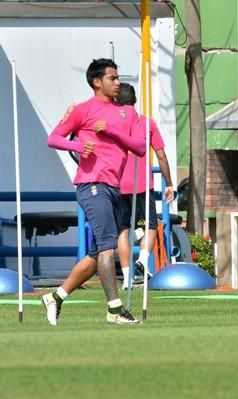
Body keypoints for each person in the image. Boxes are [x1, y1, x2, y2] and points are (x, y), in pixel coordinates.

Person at [42, 58, 146, 325]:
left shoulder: (127, 113)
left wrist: (111, 130)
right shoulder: (81, 110)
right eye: (112, 78)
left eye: (118, 77)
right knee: (107, 249)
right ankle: (114, 310)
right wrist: (78, 148)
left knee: (96, 254)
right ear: (96, 82)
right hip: (92, 185)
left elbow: (140, 147)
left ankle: (56, 296)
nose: (118, 82)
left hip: (114, 187)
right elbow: (53, 138)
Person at [115, 83, 174, 289]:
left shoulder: (111, 123)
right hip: (142, 184)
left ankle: (126, 277)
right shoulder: (147, 123)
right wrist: (169, 183)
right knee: (150, 225)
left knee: (122, 230)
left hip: (118, 183)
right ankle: (142, 258)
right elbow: (161, 155)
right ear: (135, 101)